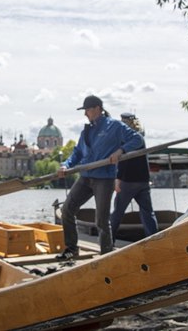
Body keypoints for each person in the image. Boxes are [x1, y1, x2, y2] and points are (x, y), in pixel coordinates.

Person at [56, 95, 143, 259]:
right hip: (85, 176)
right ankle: (72, 249)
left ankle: (106, 254)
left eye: (87, 110)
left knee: (101, 220)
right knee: (67, 210)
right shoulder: (87, 130)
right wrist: (66, 165)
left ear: (97, 109)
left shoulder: (115, 126)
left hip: (104, 178)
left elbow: (137, 139)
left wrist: (121, 151)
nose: (85, 114)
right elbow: (77, 153)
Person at [110, 113, 158, 241]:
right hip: (142, 180)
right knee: (148, 213)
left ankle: (109, 240)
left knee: (118, 212)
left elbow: (124, 161)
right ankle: (153, 240)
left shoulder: (126, 137)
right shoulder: (140, 137)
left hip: (128, 180)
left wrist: (118, 179)